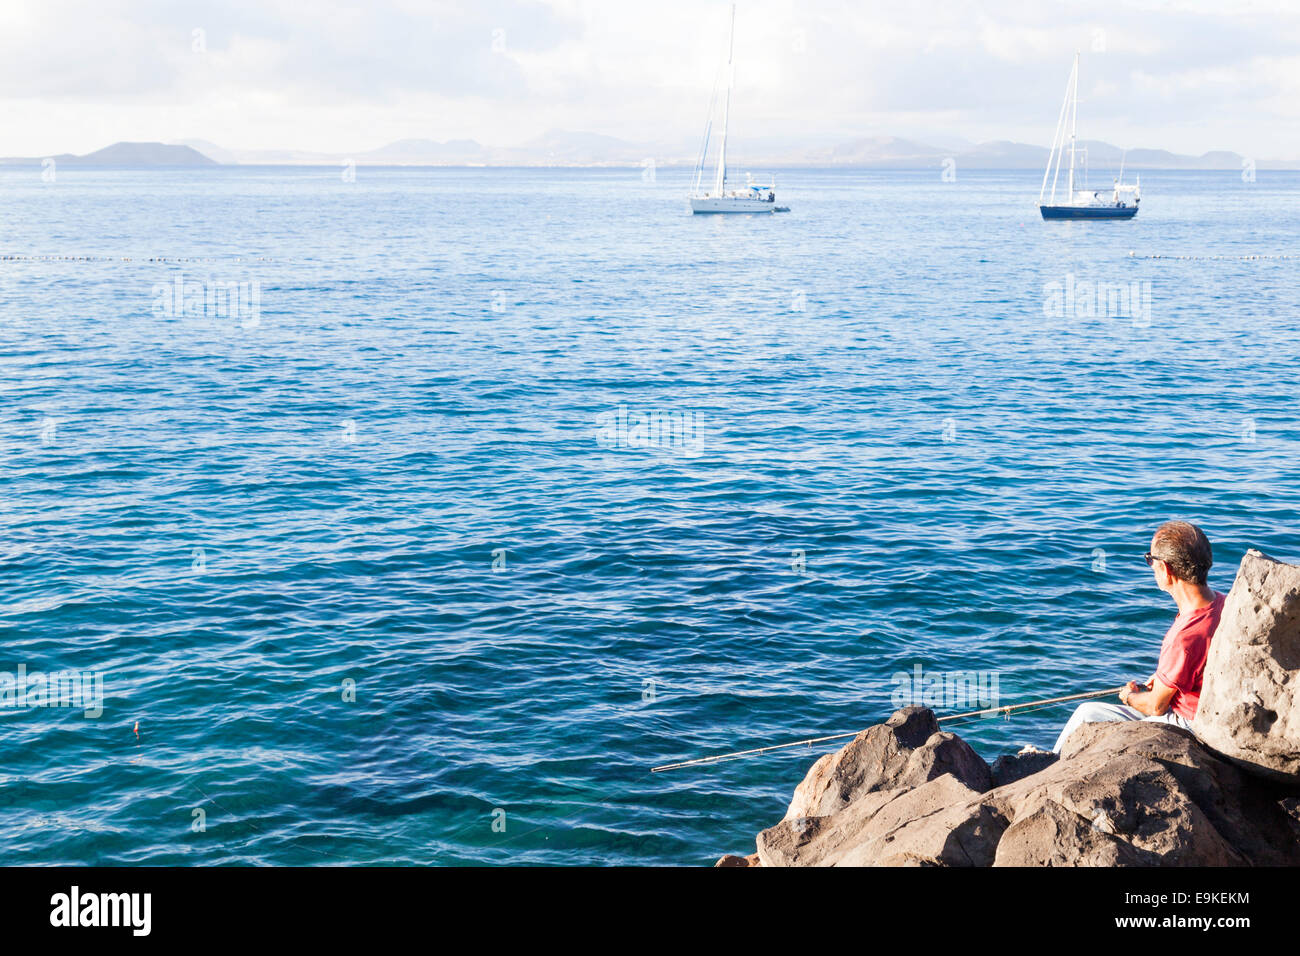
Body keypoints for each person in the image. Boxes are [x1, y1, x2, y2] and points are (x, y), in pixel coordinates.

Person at [1051, 521, 1225, 753]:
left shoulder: (1184, 636)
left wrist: (1131, 696)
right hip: (1211, 711)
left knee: (1086, 714)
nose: (1150, 565)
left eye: (1149, 559)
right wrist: (1164, 678)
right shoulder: (1223, 602)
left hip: (1188, 724)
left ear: (1165, 568)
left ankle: (1050, 765)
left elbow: (1156, 706)